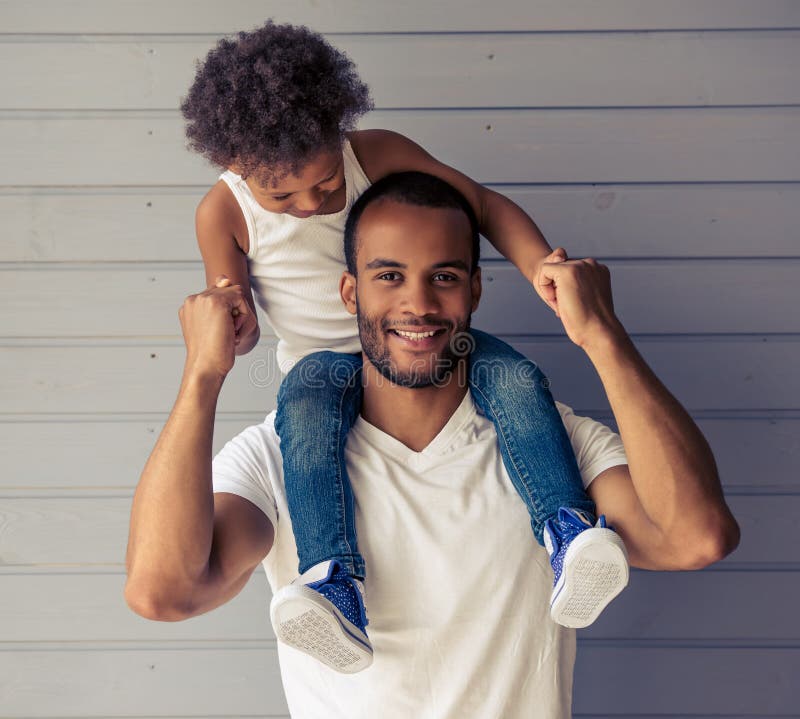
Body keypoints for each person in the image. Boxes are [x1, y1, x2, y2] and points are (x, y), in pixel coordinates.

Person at [124, 171, 739, 718]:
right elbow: (163, 590)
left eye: (443, 277)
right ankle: (335, 583)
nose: (417, 304)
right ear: (349, 294)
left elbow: (695, 537)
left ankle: (564, 531)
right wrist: (203, 374)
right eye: (388, 276)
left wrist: (601, 334)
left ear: (474, 290)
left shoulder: (547, 439)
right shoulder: (281, 454)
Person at [178, 21, 629, 668]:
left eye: (327, 184)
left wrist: (541, 269)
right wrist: (235, 322)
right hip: (323, 364)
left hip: (429, 344)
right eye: (282, 195)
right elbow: (229, 299)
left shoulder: (378, 153)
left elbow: (480, 204)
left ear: (341, 135)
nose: (309, 203)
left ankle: (569, 532)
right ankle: (332, 580)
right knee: (301, 419)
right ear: (234, 164)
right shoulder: (222, 214)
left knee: (517, 381)